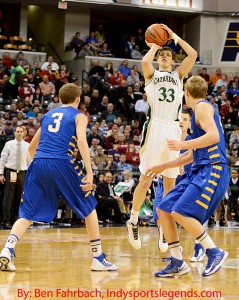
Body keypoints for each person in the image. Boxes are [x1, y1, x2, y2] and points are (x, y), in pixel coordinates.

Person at [0, 83, 118, 272]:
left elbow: (31, 148)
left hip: (38, 163)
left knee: (27, 213)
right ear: (78, 99)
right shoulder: (80, 116)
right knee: (89, 208)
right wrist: (89, 172)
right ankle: (98, 257)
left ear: (61, 98)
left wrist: (43, 167)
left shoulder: (47, 115)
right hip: (62, 161)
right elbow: (81, 140)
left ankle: (7, 248)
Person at [146, 76, 229, 277]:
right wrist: (163, 166)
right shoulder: (198, 112)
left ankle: (214, 251)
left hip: (213, 168)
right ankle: (177, 261)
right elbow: (193, 153)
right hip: (199, 169)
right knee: (164, 209)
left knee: (180, 212)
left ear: (186, 92)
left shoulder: (201, 107)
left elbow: (214, 137)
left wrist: (182, 144)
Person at [126, 23, 197, 250]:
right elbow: (145, 62)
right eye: (162, 55)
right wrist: (155, 46)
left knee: (170, 182)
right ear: (158, 59)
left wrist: (174, 37)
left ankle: (164, 227)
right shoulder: (151, 73)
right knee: (146, 179)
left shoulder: (179, 75)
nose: (165, 57)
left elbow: (193, 54)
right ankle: (133, 220)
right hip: (155, 127)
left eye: (168, 55)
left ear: (173, 61)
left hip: (172, 129)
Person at [153, 112, 206, 262]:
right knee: (159, 212)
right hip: (166, 180)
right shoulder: (169, 140)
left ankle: (199, 246)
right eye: (179, 119)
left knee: (189, 215)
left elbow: (194, 160)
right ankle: (175, 249)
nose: (181, 122)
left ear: (190, 124)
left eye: (185, 119)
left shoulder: (192, 140)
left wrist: (182, 165)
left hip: (187, 180)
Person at [0, 126, 31, 229]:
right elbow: (2, 159)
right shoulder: (9, 144)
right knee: (8, 197)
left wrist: (30, 176)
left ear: (24, 133)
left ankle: (15, 219)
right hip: (10, 172)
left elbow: (29, 161)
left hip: (22, 173)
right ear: (14, 133)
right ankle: (6, 220)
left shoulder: (27, 145)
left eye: (21, 132)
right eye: (17, 131)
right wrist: (1, 174)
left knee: (19, 197)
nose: (19, 133)